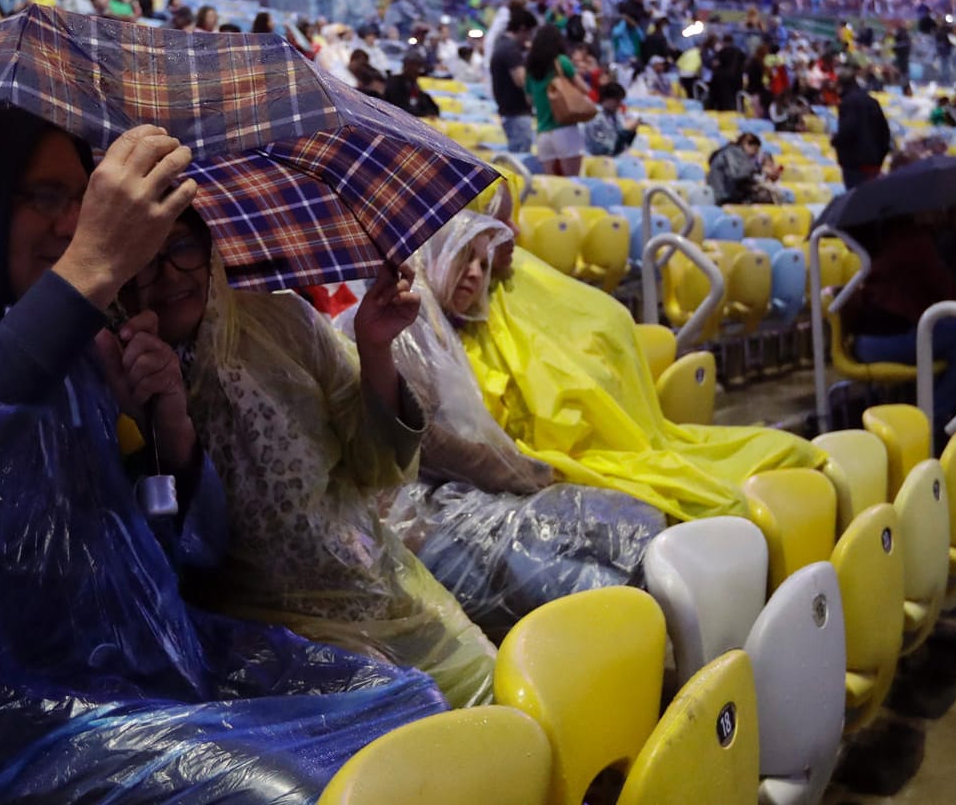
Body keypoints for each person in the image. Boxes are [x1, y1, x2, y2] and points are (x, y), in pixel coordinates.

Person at [0, 110, 445, 800]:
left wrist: (169, 435)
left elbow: (162, 561)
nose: (73, 225)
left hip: (101, 681)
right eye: (45, 197)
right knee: (304, 793)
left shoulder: (57, 346)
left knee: (410, 719)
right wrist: (85, 277)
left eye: (82, 197)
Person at [114, 210, 498, 707]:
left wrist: (375, 347)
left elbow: (376, 466)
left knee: (494, 691)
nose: (166, 273)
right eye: (143, 256)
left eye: (183, 247)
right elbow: (168, 565)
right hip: (261, 640)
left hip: (375, 585)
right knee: (417, 728)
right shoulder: (111, 375)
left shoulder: (284, 323)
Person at [380, 210, 665, 629]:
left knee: (642, 526)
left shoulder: (440, 325)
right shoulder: (404, 326)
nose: (476, 274)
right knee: (600, 589)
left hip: (466, 500)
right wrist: (520, 472)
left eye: (483, 264)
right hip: (421, 525)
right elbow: (425, 441)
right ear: (435, 253)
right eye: (466, 257)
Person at [452, 200, 819, 520]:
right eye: (502, 221)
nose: (517, 230)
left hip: (630, 442)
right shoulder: (467, 320)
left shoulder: (516, 286)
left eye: (482, 263)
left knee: (779, 457)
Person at [843, 215, 956, 433]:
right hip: (882, 340)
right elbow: (950, 294)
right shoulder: (915, 242)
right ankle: (929, 426)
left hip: (891, 335)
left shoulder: (906, 236)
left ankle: (934, 422)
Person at [523, 23, 589, 176]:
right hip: (564, 127)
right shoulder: (561, 61)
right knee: (571, 184)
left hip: (543, 131)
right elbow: (584, 88)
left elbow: (529, 100)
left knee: (553, 186)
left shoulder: (530, 67)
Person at [490, 6, 537, 154]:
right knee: (520, 155)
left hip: (510, 112)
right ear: (522, 29)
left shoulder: (502, 46)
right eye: (529, 33)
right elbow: (521, 80)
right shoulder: (511, 50)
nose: (530, 37)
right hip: (516, 113)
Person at [831, 72, 891, 188]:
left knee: (855, 197)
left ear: (840, 86)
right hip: (874, 162)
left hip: (854, 163)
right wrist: (880, 157)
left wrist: (835, 140)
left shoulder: (847, 102)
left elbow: (848, 130)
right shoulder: (872, 101)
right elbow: (885, 132)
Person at [584, 84, 639, 158]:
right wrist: (624, 132)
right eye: (617, 100)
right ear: (606, 99)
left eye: (620, 100)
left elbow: (623, 144)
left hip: (616, 155)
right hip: (599, 159)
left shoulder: (615, 113)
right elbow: (601, 149)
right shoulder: (595, 118)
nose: (619, 104)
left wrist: (631, 132)